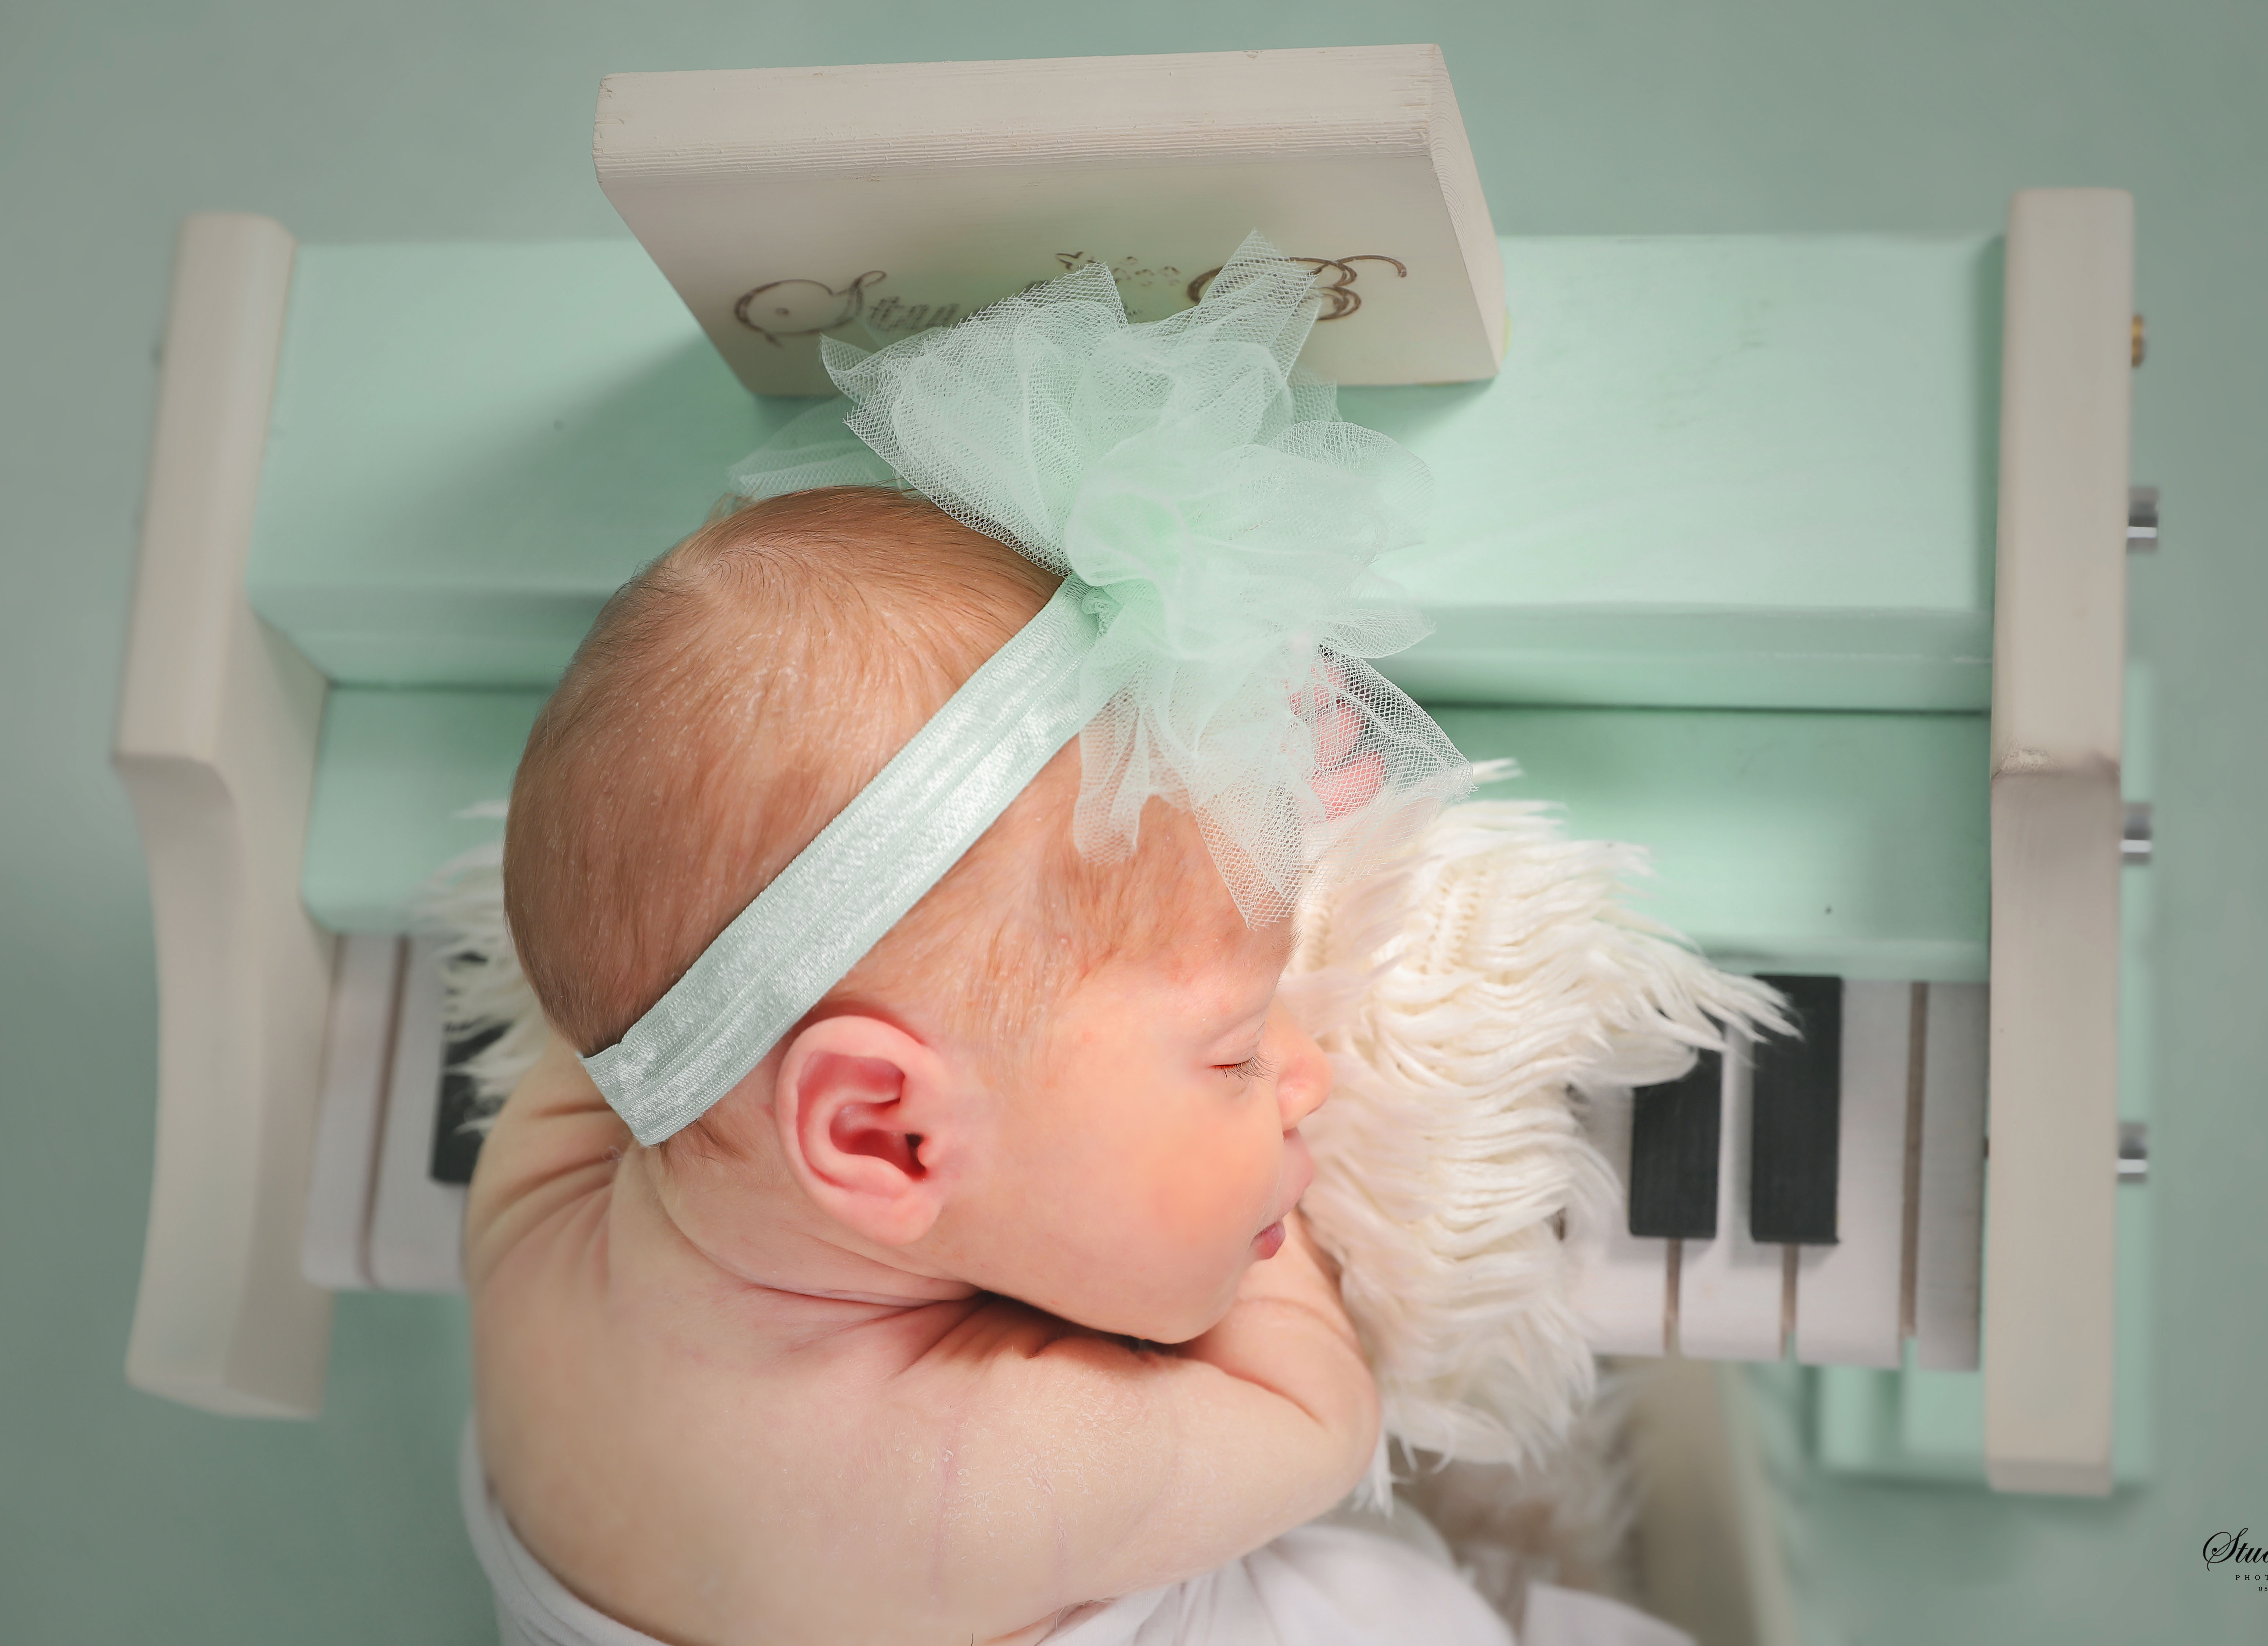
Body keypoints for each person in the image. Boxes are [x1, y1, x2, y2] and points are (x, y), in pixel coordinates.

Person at [462, 238, 1685, 1646]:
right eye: (1233, 1053)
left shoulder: (531, 1226)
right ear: (883, 1134)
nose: (1304, 1071)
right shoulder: (982, 1482)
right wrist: (1243, 1230)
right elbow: (1317, 1417)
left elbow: (659, 974)